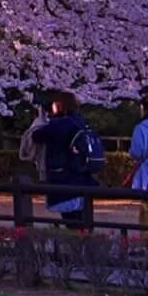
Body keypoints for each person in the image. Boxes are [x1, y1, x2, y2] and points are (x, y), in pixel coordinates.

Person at [29, 90, 97, 228]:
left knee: (72, 222)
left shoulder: (60, 124)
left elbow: (36, 136)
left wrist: (44, 119)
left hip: (65, 178)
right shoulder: (81, 121)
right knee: (83, 221)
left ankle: (78, 247)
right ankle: (86, 246)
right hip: (84, 177)